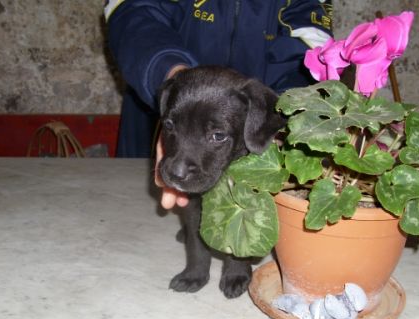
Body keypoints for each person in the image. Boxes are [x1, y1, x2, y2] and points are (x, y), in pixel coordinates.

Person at [105, 0, 333, 208]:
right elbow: (132, 12)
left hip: (260, 132)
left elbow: (313, 51)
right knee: (132, 223)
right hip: (158, 117)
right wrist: (171, 75)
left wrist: (274, 116)